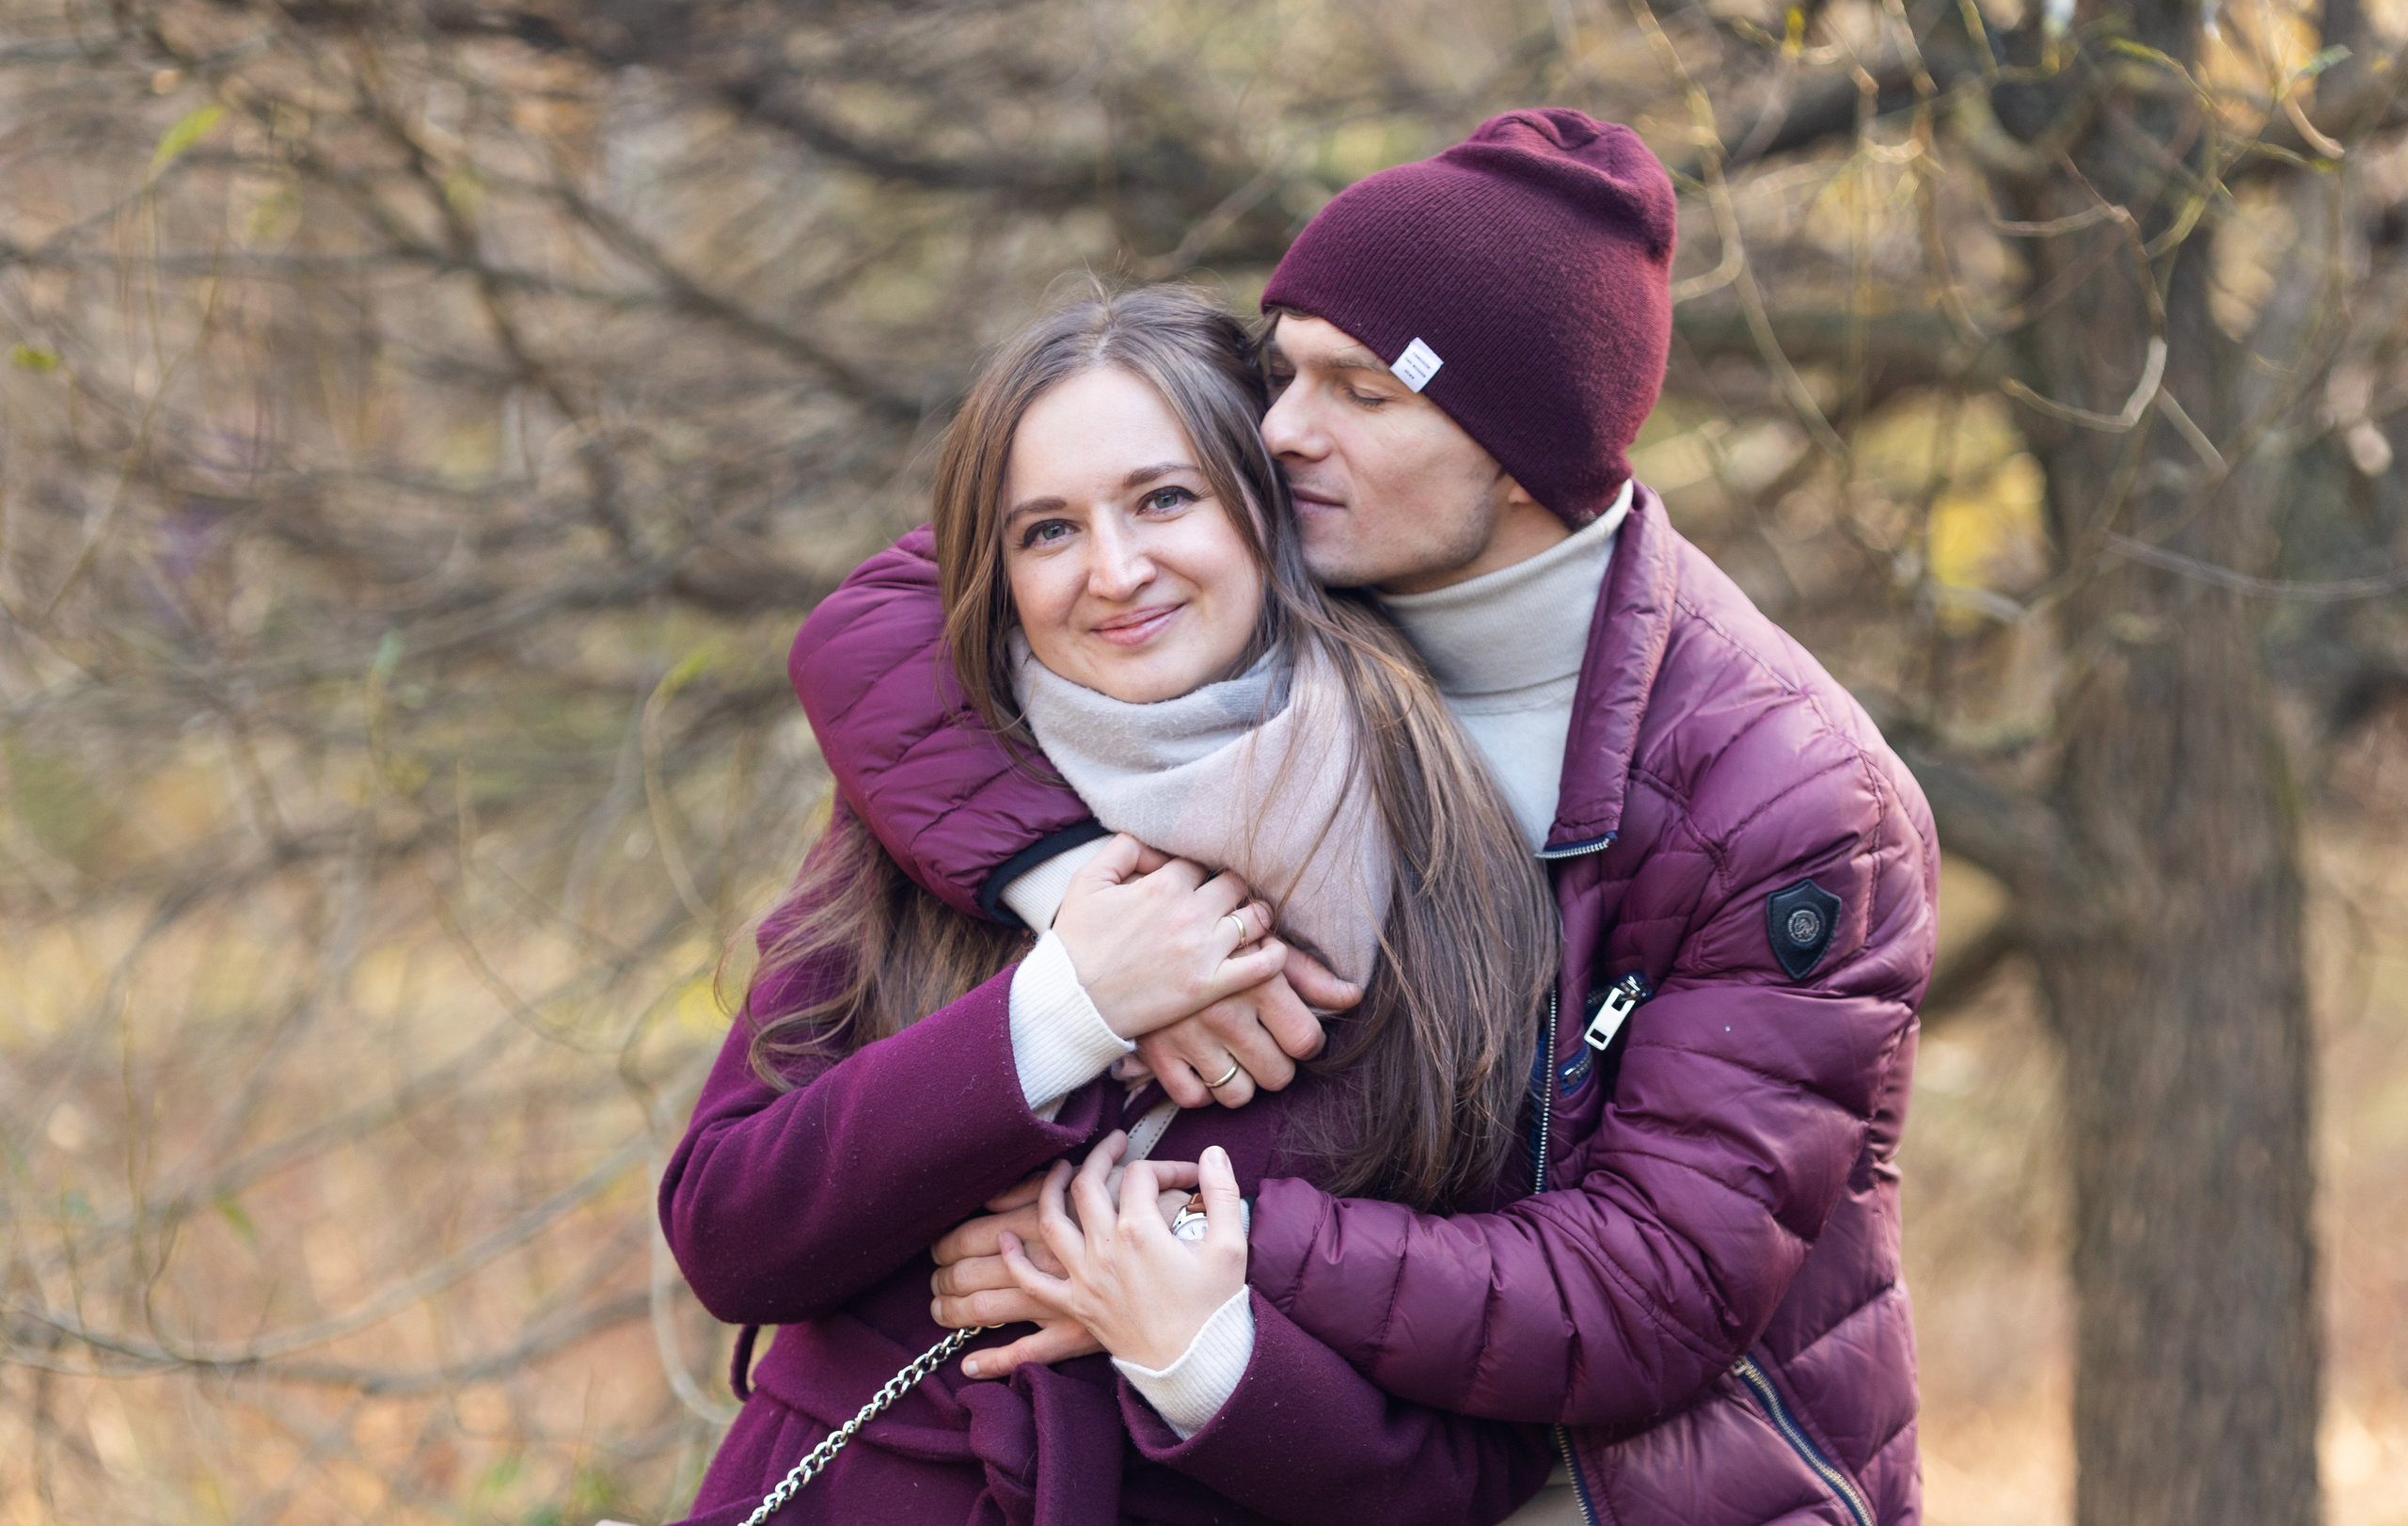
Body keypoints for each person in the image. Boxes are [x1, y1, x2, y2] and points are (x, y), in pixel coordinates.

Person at [798, 108, 1939, 1525]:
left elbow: (1651, 1288)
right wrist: (1073, 881)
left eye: (1360, 392)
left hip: (1627, 1488)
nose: (1280, 431)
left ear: (1520, 454)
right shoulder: (1297, 558)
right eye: (1285, 372)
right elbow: (886, 617)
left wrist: (1191, 1239)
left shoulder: (1787, 803)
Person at [659, 286, 1566, 1525]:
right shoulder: (930, 796)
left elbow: (1483, 1457)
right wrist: (1063, 1008)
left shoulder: (1457, 852)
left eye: (1164, 499)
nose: (1116, 571)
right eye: (1047, 531)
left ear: (1265, 512)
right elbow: (729, 1229)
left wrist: (1200, 1352)